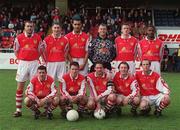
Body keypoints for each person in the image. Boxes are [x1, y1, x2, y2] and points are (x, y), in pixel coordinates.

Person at [13, 21, 43, 117]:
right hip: (23, 63)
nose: (29, 28)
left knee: (35, 87)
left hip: (34, 63)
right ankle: (18, 110)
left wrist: (35, 58)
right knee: (20, 86)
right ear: (24, 27)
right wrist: (21, 59)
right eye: (28, 26)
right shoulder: (19, 37)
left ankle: (35, 109)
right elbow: (16, 50)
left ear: (33, 27)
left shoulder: (38, 37)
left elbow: (40, 50)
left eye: (31, 26)